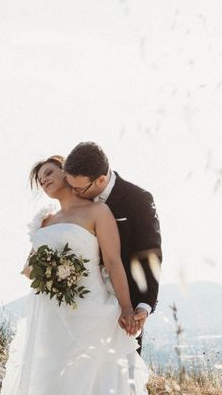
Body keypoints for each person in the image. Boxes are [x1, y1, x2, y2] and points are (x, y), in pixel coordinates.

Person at [0, 155, 149, 395]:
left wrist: (126, 307)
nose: (44, 181)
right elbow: (28, 269)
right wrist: (52, 270)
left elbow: (112, 261)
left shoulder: (97, 211)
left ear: (66, 172)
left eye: (48, 173)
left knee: (88, 376)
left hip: (90, 309)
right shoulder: (45, 221)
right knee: (51, 376)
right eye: (39, 180)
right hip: (49, 311)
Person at [64, 142, 162, 354]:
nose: (73, 192)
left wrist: (144, 305)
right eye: (70, 185)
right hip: (84, 301)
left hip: (124, 303)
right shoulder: (75, 202)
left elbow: (150, 252)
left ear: (100, 179)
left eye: (79, 188)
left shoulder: (138, 199)